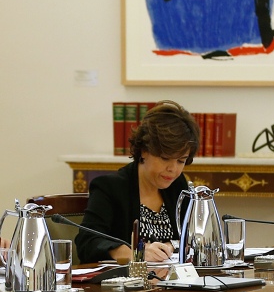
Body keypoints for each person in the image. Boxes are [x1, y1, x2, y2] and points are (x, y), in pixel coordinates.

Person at [76, 100, 200, 263]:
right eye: (165, 158)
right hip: (126, 278)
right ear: (144, 151)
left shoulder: (178, 185)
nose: (173, 169)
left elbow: (194, 236)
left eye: (181, 161)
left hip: (171, 276)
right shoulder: (110, 187)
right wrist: (134, 253)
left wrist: (172, 245)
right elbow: (87, 242)